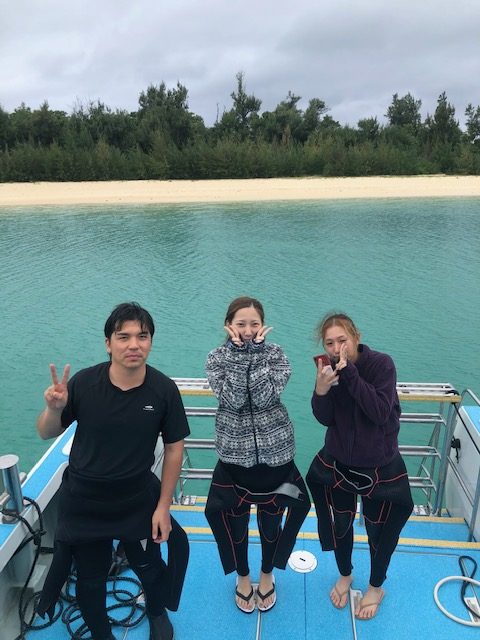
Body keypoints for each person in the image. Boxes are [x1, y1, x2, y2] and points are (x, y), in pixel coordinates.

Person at [35, 302, 190, 640]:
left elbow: (174, 449)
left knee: (149, 567)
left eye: (142, 336)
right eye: (123, 337)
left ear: (150, 342)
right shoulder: (84, 383)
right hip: (85, 500)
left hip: (137, 496)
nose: (134, 344)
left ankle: (156, 611)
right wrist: (53, 409)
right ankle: (102, 635)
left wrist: (164, 507)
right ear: (108, 343)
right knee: (90, 581)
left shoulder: (163, 390)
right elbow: (46, 432)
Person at [204, 296, 310, 614]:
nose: (248, 330)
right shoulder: (216, 358)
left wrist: (258, 354)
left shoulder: (276, 355)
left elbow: (265, 398)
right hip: (234, 459)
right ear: (228, 325)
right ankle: (242, 576)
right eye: (241, 324)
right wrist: (239, 357)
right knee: (236, 525)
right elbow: (233, 400)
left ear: (263, 325)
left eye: (254, 323)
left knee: (270, 523)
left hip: (276, 457)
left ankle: (266, 574)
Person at [306, 312, 413, 620]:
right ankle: (345, 574)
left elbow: (380, 412)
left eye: (342, 340)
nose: (336, 348)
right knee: (341, 525)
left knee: (379, 532)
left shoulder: (382, 365)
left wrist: (350, 373)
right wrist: (321, 390)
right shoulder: (328, 368)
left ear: (356, 337)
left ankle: (376, 587)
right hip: (340, 464)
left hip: (379, 468)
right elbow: (325, 418)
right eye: (330, 343)